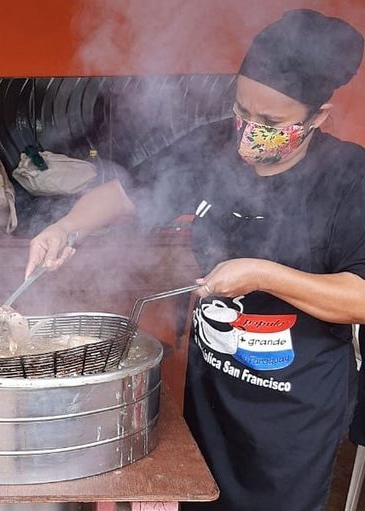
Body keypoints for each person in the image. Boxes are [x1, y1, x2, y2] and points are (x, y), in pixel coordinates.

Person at [25, 9, 365, 511]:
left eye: (271, 123)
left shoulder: (350, 179)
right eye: (243, 112)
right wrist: (64, 227)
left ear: (317, 117)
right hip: (212, 398)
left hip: (293, 413)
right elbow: (125, 194)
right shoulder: (211, 146)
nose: (249, 132)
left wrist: (262, 273)